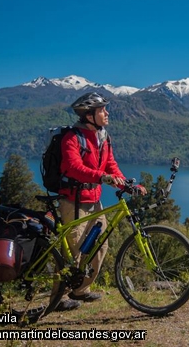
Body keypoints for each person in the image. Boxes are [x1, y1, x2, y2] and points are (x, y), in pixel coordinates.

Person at [55, 92, 146, 311]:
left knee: (100, 246)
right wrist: (100, 177)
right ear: (89, 115)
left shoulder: (103, 137)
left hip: (95, 201)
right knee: (73, 252)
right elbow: (73, 167)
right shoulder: (72, 137)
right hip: (74, 202)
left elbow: (111, 166)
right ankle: (58, 298)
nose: (107, 113)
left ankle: (81, 289)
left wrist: (127, 185)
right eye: (102, 110)